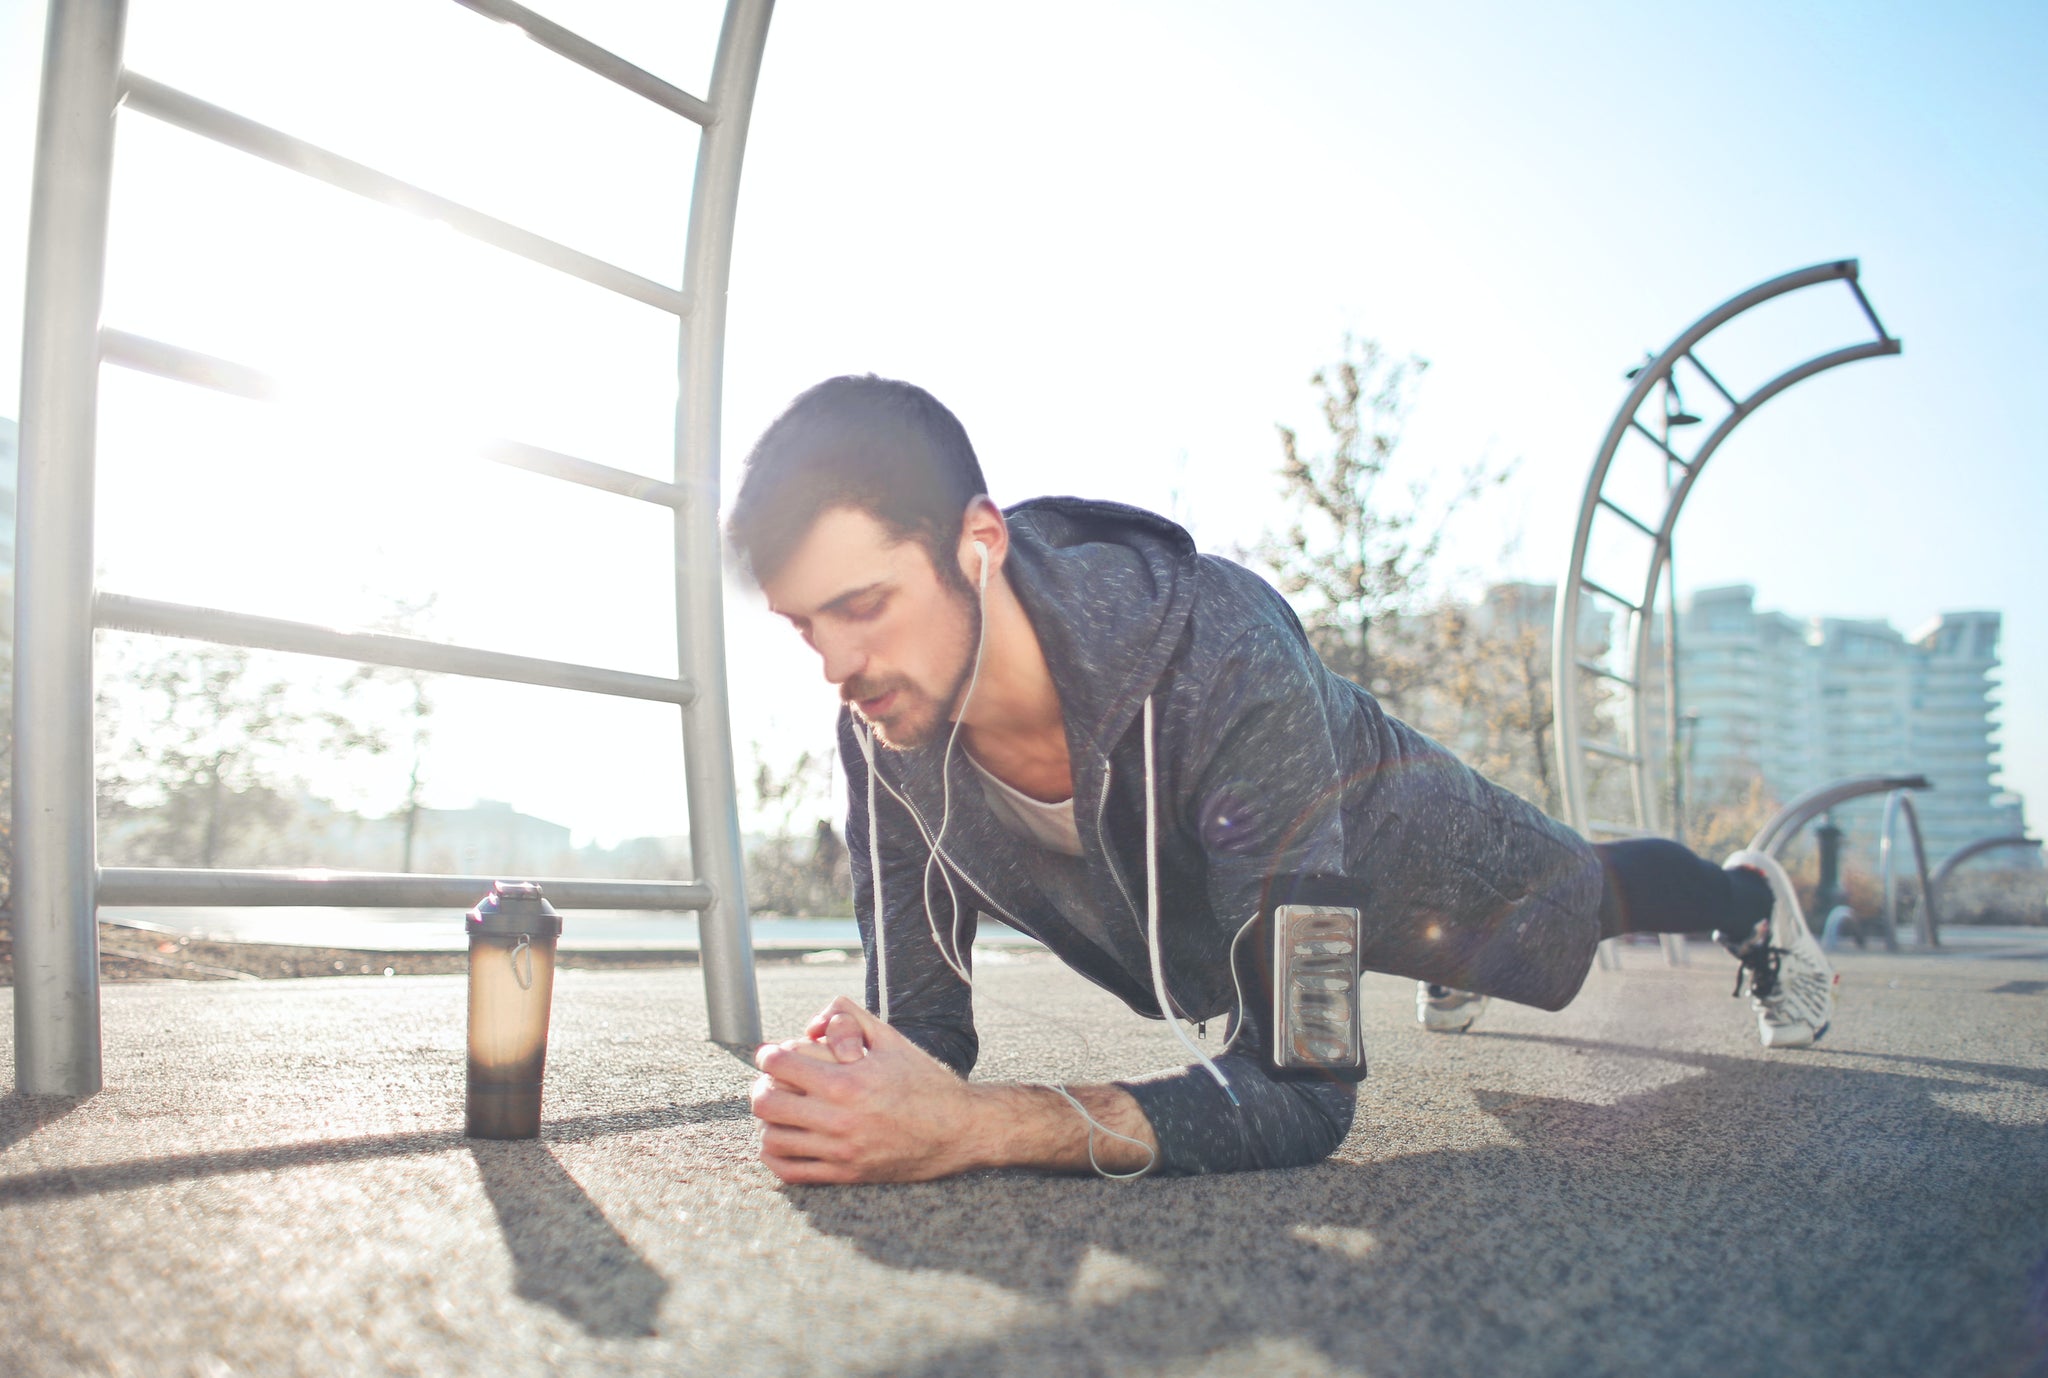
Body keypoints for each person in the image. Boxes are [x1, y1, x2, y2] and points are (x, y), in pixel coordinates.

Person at [730, 375, 1836, 1184]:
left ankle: (1749, 898)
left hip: (1413, 854)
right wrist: (856, 1086)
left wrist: (978, 1125)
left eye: (864, 606)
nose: (836, 667)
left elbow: (1301, 1089)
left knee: (1579, 907)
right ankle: (1433, 960)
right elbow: (925, 1025)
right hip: (1265, 913)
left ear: (978, 543)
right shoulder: (884, 724)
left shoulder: (1222, 652)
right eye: (803, 627)